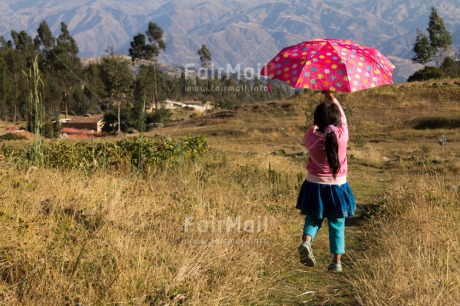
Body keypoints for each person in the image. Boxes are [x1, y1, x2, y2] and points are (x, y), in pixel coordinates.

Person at [296, 90, 356, 272]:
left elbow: (309, 136)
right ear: (337, 121)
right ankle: (336, 262)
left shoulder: (310, 137)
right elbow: (343, 117)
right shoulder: (342, 137)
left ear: (316, 121)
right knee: (337, 223)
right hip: (337, 186)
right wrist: (332, 98)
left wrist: (314, 127)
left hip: (314, 185)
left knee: (313, 217)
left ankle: (307, 242)